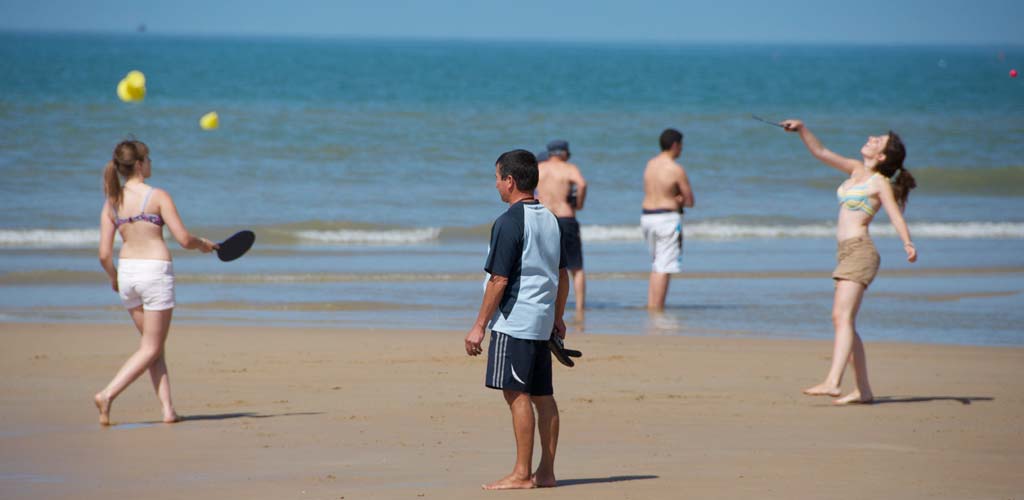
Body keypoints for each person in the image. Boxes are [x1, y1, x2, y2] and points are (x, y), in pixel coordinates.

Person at [781, 119, 917, 405]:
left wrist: (907, 243)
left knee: (841, 318)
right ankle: (864, 391)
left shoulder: (878, 182)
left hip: (861, 252)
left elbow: (895, 215)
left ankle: (833, 381)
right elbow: (821, 152)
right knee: (846, 323)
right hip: (845, 252)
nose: (870, 137)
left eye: (877, 140)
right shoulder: (856, 169)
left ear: (881, 157)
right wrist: (803, 129)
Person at [464, 149, 570, 490]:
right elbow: (562, 275)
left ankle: (523, 473)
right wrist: (558, 317)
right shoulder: (551, 218)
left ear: (510, 181)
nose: (495, 184)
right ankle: (547, 472)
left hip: (515, 321)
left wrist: (479, 326)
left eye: (497, 177)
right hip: (540, 321)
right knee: (543, 396)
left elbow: (499, 280)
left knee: (516, 394)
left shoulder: (509, 222)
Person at [95, 140, 218, 425]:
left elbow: (103, 254)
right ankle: (108, 394)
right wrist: (203, 244)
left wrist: (114, 279)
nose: (151, 163)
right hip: (154, 273)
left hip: (127, 274)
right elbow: (184, 239)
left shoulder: (112, 202)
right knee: (151, 347)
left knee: (153, 346)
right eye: (148, 159)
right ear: (139, 164)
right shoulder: (158, 195)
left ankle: (168, 411)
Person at [641, 129, 694, 310]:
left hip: (647, 216)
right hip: (667, 218)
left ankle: (652, 305)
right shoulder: (676, 169)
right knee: (665, 266)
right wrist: (679, 199)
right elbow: (690, 200)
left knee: (657, 264)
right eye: (681, 146)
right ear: (674, 145)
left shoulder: (650, 164)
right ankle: (657, 308)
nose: (682, 150)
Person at [536, 140, 587, 312]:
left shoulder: (539, 169)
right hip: (565, 216)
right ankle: (580, 307)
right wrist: (578, 203)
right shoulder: (569, 168)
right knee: (576, 267)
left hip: (544, 217)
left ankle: (546, 304)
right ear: (563, 153)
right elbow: (582, 183)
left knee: (544, 264)